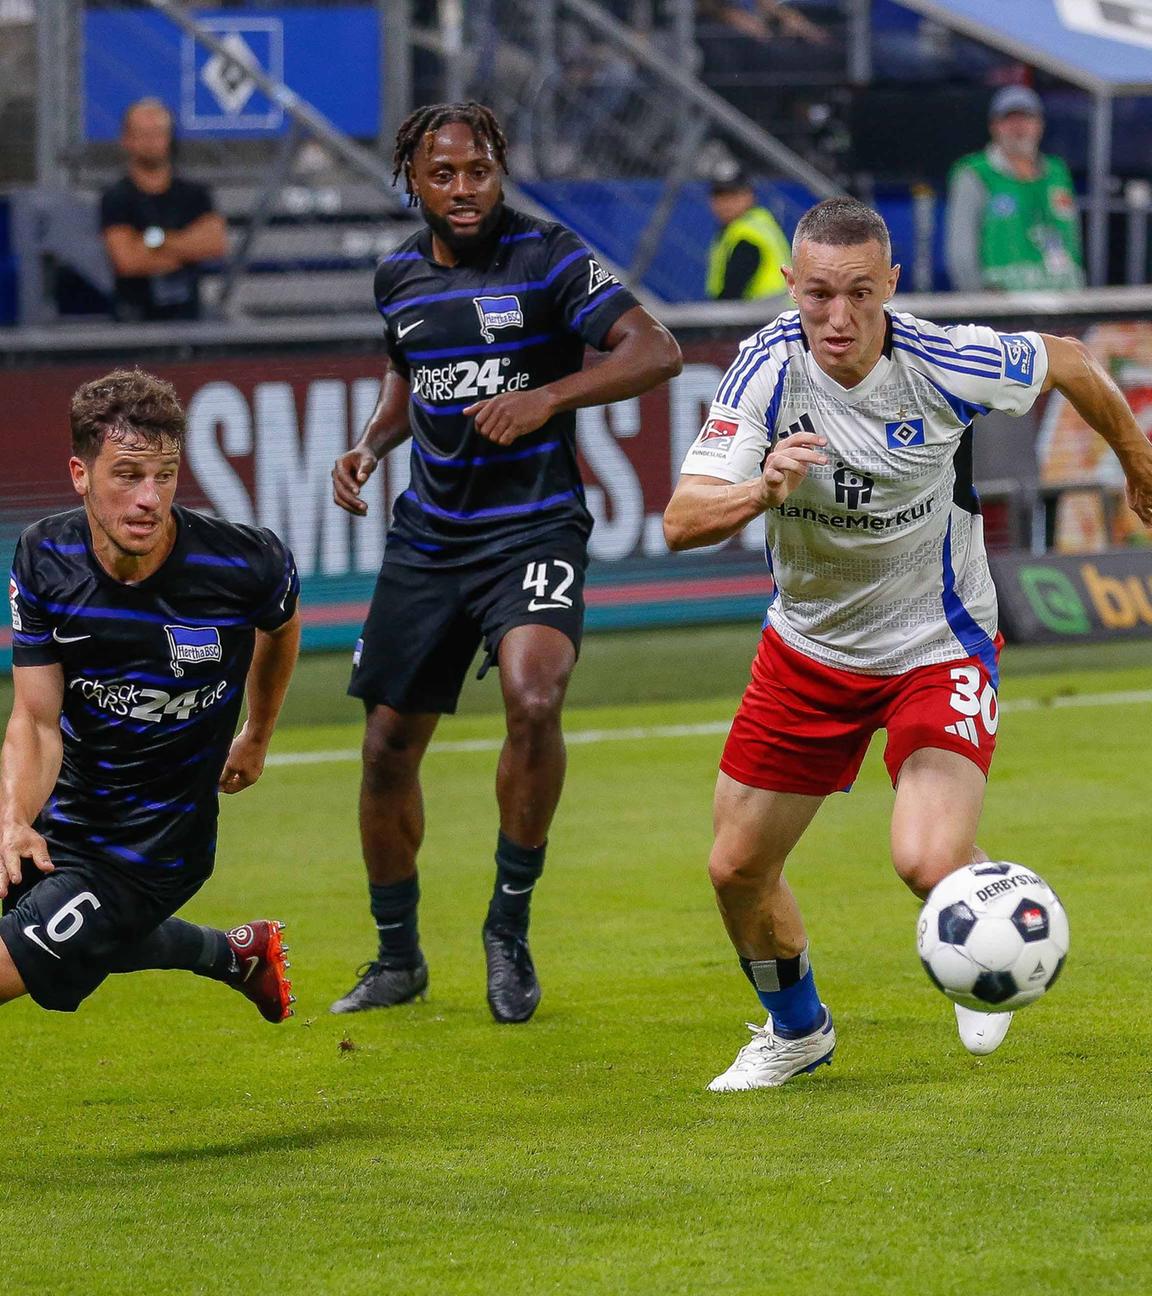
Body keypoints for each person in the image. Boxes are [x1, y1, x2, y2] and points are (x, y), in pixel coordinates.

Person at [663, 197, 1152, 1089]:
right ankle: (798, 1030)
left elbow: (1073, 362)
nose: (838, 318)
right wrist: (759, 491)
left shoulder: (945, 359)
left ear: (891, 284)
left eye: (859, 293)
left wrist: (1137, 459)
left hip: (939, 642)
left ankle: (982, 924)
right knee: (736, 869)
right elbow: (681, 519)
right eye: (817, 296)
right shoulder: (764, 375)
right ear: (790, 287)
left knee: (925, 859)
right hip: (809, 650)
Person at [329, 101, 682, 1023]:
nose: (462, 190)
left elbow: (657, 349)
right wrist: (371, 444)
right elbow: (413, 376)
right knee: (386, 747)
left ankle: (507, 929)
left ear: (500, 172)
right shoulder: (397, 278)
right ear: (412, 178)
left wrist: (547, 396)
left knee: (534, 696)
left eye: (477, 172)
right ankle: (398, 955)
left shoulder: (549, 256)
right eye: (442, 175)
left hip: (533, 528)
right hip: (430, 539)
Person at [0, 369, 301, 1022]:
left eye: (163, 475)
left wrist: (259, 732)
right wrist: (16, 820)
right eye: (128, 474)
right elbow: (36, 720)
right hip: (65, 811)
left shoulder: (243, 563)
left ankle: (232, 954)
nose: (149, 498)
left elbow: (280, 627)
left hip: (151, 847)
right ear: (81, 474)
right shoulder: (44, 557)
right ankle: (238, 955)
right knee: (79, 941)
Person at [946, 86, 1085, 293]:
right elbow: (961, 252)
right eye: (1009, 119)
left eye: (1026, 118)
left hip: (1061, 304)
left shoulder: (1057, 172)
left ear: (1040, 125)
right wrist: (978, 300)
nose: (1018, 127)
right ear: (994, 126)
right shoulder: (975, 173)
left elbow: (1072, 239)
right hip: (1004, 306)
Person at [100, 98, 228, 322]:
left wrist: (155, 243)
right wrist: (184, 251)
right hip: (133, 318)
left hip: (188, 315)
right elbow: (127, 261)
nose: (151, 141)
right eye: (143, 133)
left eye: (158, 133)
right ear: (126, 139)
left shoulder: (195, 194)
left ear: (170, 137)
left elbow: (214, 244)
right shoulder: (116, 198)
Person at [707, 174, 792, 301]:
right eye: (720, 195)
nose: (726, 203)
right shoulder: (758, 222)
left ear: (750, 196)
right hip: (774, 313)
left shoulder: (747, 235)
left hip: (764, 315)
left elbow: (731, 294)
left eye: (734, 194)